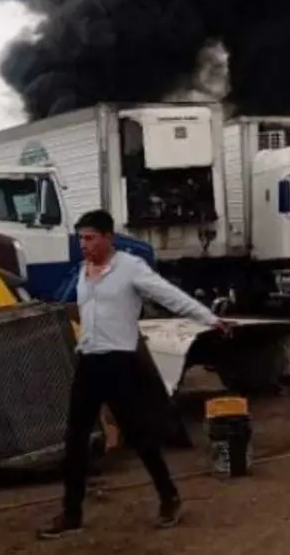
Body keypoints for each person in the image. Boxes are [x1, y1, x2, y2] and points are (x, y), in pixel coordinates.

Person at [39, 209, 233, 539]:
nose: (83, 245)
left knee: (141, 436)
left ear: (107, 237)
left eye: (89, 238)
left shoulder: (130, 268)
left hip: (120, 363)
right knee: (75, 439)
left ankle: (169, 497)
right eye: (80, 239)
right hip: (89, 361)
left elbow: (168, 295)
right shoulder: (83, 272)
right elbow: (83, 312)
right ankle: (71, 513)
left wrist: (208, 319)